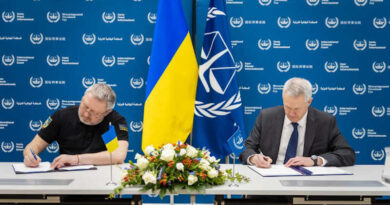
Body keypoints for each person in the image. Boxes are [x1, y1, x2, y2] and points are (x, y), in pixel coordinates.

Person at [240, 77, 355, 168]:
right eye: (287, 107)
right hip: (270, 180)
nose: (291, 113)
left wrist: (315, 160)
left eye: (297, 109)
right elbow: (247, 148)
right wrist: (254, 158)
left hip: (307, 185)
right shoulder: (266, 117)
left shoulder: (325, 121)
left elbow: (347, 154)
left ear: (309, 102)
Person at [23, 83, 129, 169]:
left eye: (94, 112)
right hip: (68, 185)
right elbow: (32, 147)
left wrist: (76, 159)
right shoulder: (62, 116)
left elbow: (118, 155)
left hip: (104, 186)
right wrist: (29, 156)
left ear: (106, 112)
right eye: (85, 106)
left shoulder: (113, 121)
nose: (86, 114)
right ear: (82, 98)